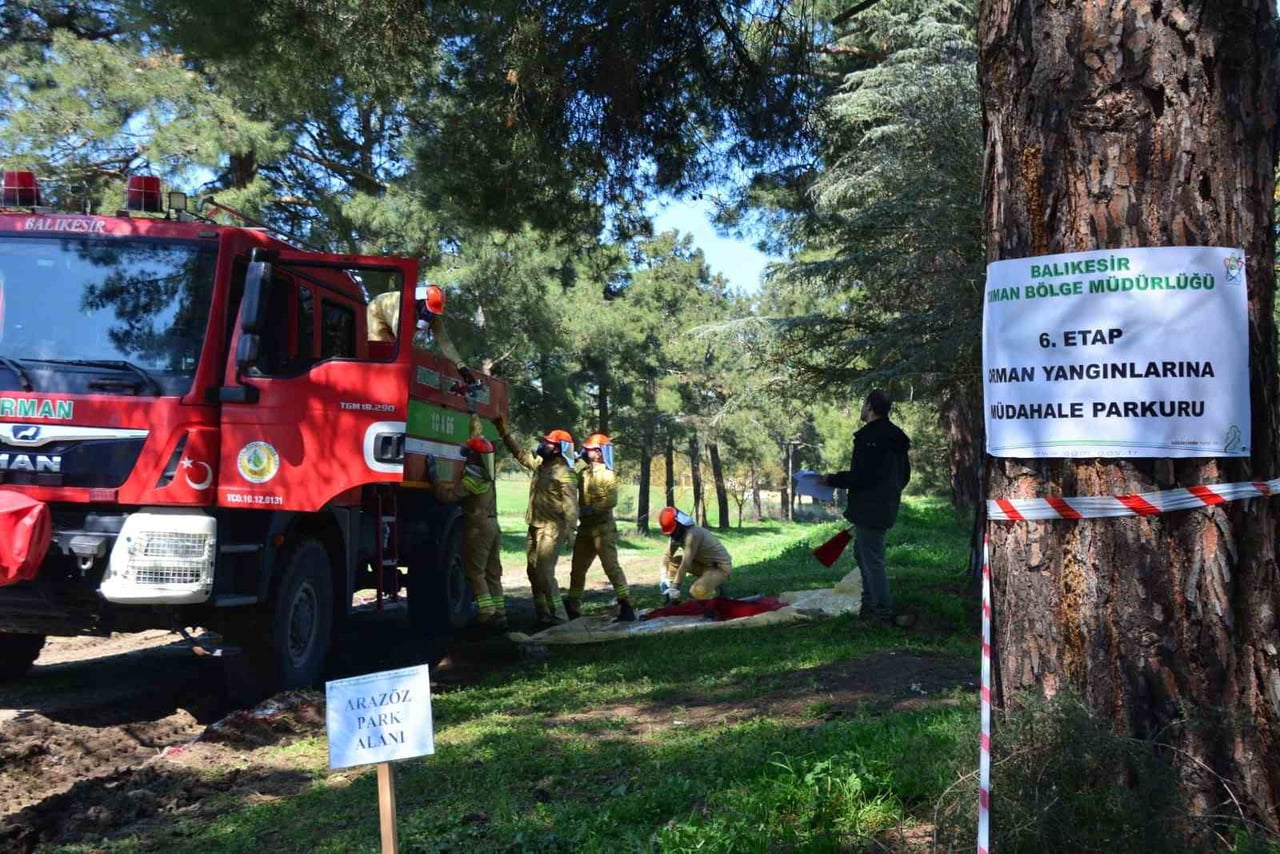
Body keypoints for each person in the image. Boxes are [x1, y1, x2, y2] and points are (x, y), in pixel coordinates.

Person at [821, 389, 913, 627]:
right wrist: (889, 494)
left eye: (863, 404)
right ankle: (869, 607)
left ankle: (881, 615)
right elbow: (904, 476)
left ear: (870, 406)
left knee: (872, 561)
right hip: (884, 505)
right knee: (863, 555)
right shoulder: (896, 436)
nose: (861, 408)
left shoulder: (871, 437)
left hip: (870, 508)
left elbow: (862, 476)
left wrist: (832, 479)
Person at [494, 416, 578, 626]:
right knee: (532, 572)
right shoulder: (541, 465)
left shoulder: (565, 473)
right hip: (534, 525)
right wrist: (505, 434)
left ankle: (560, 617)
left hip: (552, 529)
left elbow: (571, 505)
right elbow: (521, 455)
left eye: (548, 443)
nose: (543, 445)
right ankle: (543, 614)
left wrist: (570, 530)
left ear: (558, 449)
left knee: (544, 573)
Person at [427, 427, 506, 630]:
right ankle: (499, 612)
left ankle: (486, 612)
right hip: (493, 526)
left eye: (468, 454)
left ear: (473, 457)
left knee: (475, 572)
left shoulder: (472, 480)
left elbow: (448, 497)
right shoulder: (488, 478)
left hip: (478, 528)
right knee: (493, 572)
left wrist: (434, 479)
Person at [566, 434, 636, 622]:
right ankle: (572, 606)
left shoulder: (607, 474)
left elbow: (611, 500)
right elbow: (568, 480)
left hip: (603, 529)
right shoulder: (583, 472)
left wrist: (590, 509)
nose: (584, 451)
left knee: (611, 568)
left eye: (588, 449)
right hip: (585, 529)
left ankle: (626, 605)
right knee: (577, 569)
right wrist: (573, 461)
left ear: (598, 453)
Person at [367, 283, 475, 384]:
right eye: (428, 311)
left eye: (432, 313)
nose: (429, 315)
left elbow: (445, 342)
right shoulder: (403, 305)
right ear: (421, 302)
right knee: (381, 348)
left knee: (395, 353)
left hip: (397, 326)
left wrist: (461, 366)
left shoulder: (433, 318)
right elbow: (400, 335)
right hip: (378, 311)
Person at [657, 506, 733, 601]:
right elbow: (667, 556)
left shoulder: (692, 534)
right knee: (674, 562)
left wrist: (675, 586)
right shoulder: (677, 535)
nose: (672, 534)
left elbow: (685, 564)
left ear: (679, 524)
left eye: (673, 531)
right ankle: (675, 600)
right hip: (703, 565)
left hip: (719, 568)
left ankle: (715, 595)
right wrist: (663, 576)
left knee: (697, 591)